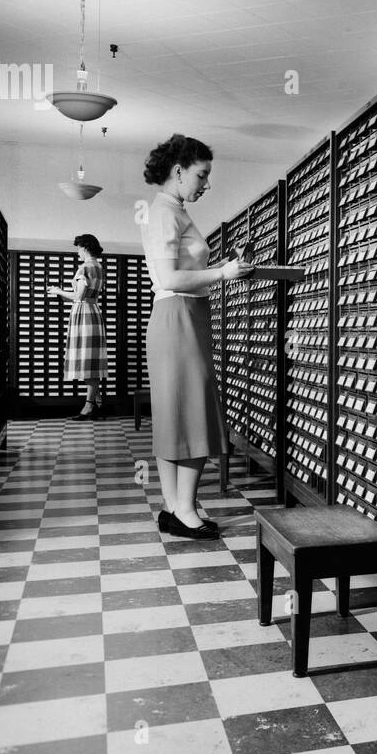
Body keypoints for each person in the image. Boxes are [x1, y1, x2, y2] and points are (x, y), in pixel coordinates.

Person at [141, 134, 253, 540]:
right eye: (201, 175)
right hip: (180, 316)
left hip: (180, 315)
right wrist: (222, 274)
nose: (206, 184)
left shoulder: (169, 210)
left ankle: (175, 508)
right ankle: (185, 509)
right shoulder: (167, 213)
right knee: (194, 413)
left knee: (176, 415)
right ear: (179, 171)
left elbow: (181, 270)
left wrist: (219, 267)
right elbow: (168, 277)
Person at [49, 234, 107, 420]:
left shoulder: (85, 268)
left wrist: (58, 291)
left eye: (78, 248)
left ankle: (89, 406)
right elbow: (88, 295)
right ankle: (97, 402)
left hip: (83, 315)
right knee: (91, 358)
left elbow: (78, 297)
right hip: (93, 312)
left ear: (85, 248)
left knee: (86, 359)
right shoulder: (99, 267)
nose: (77, 252)